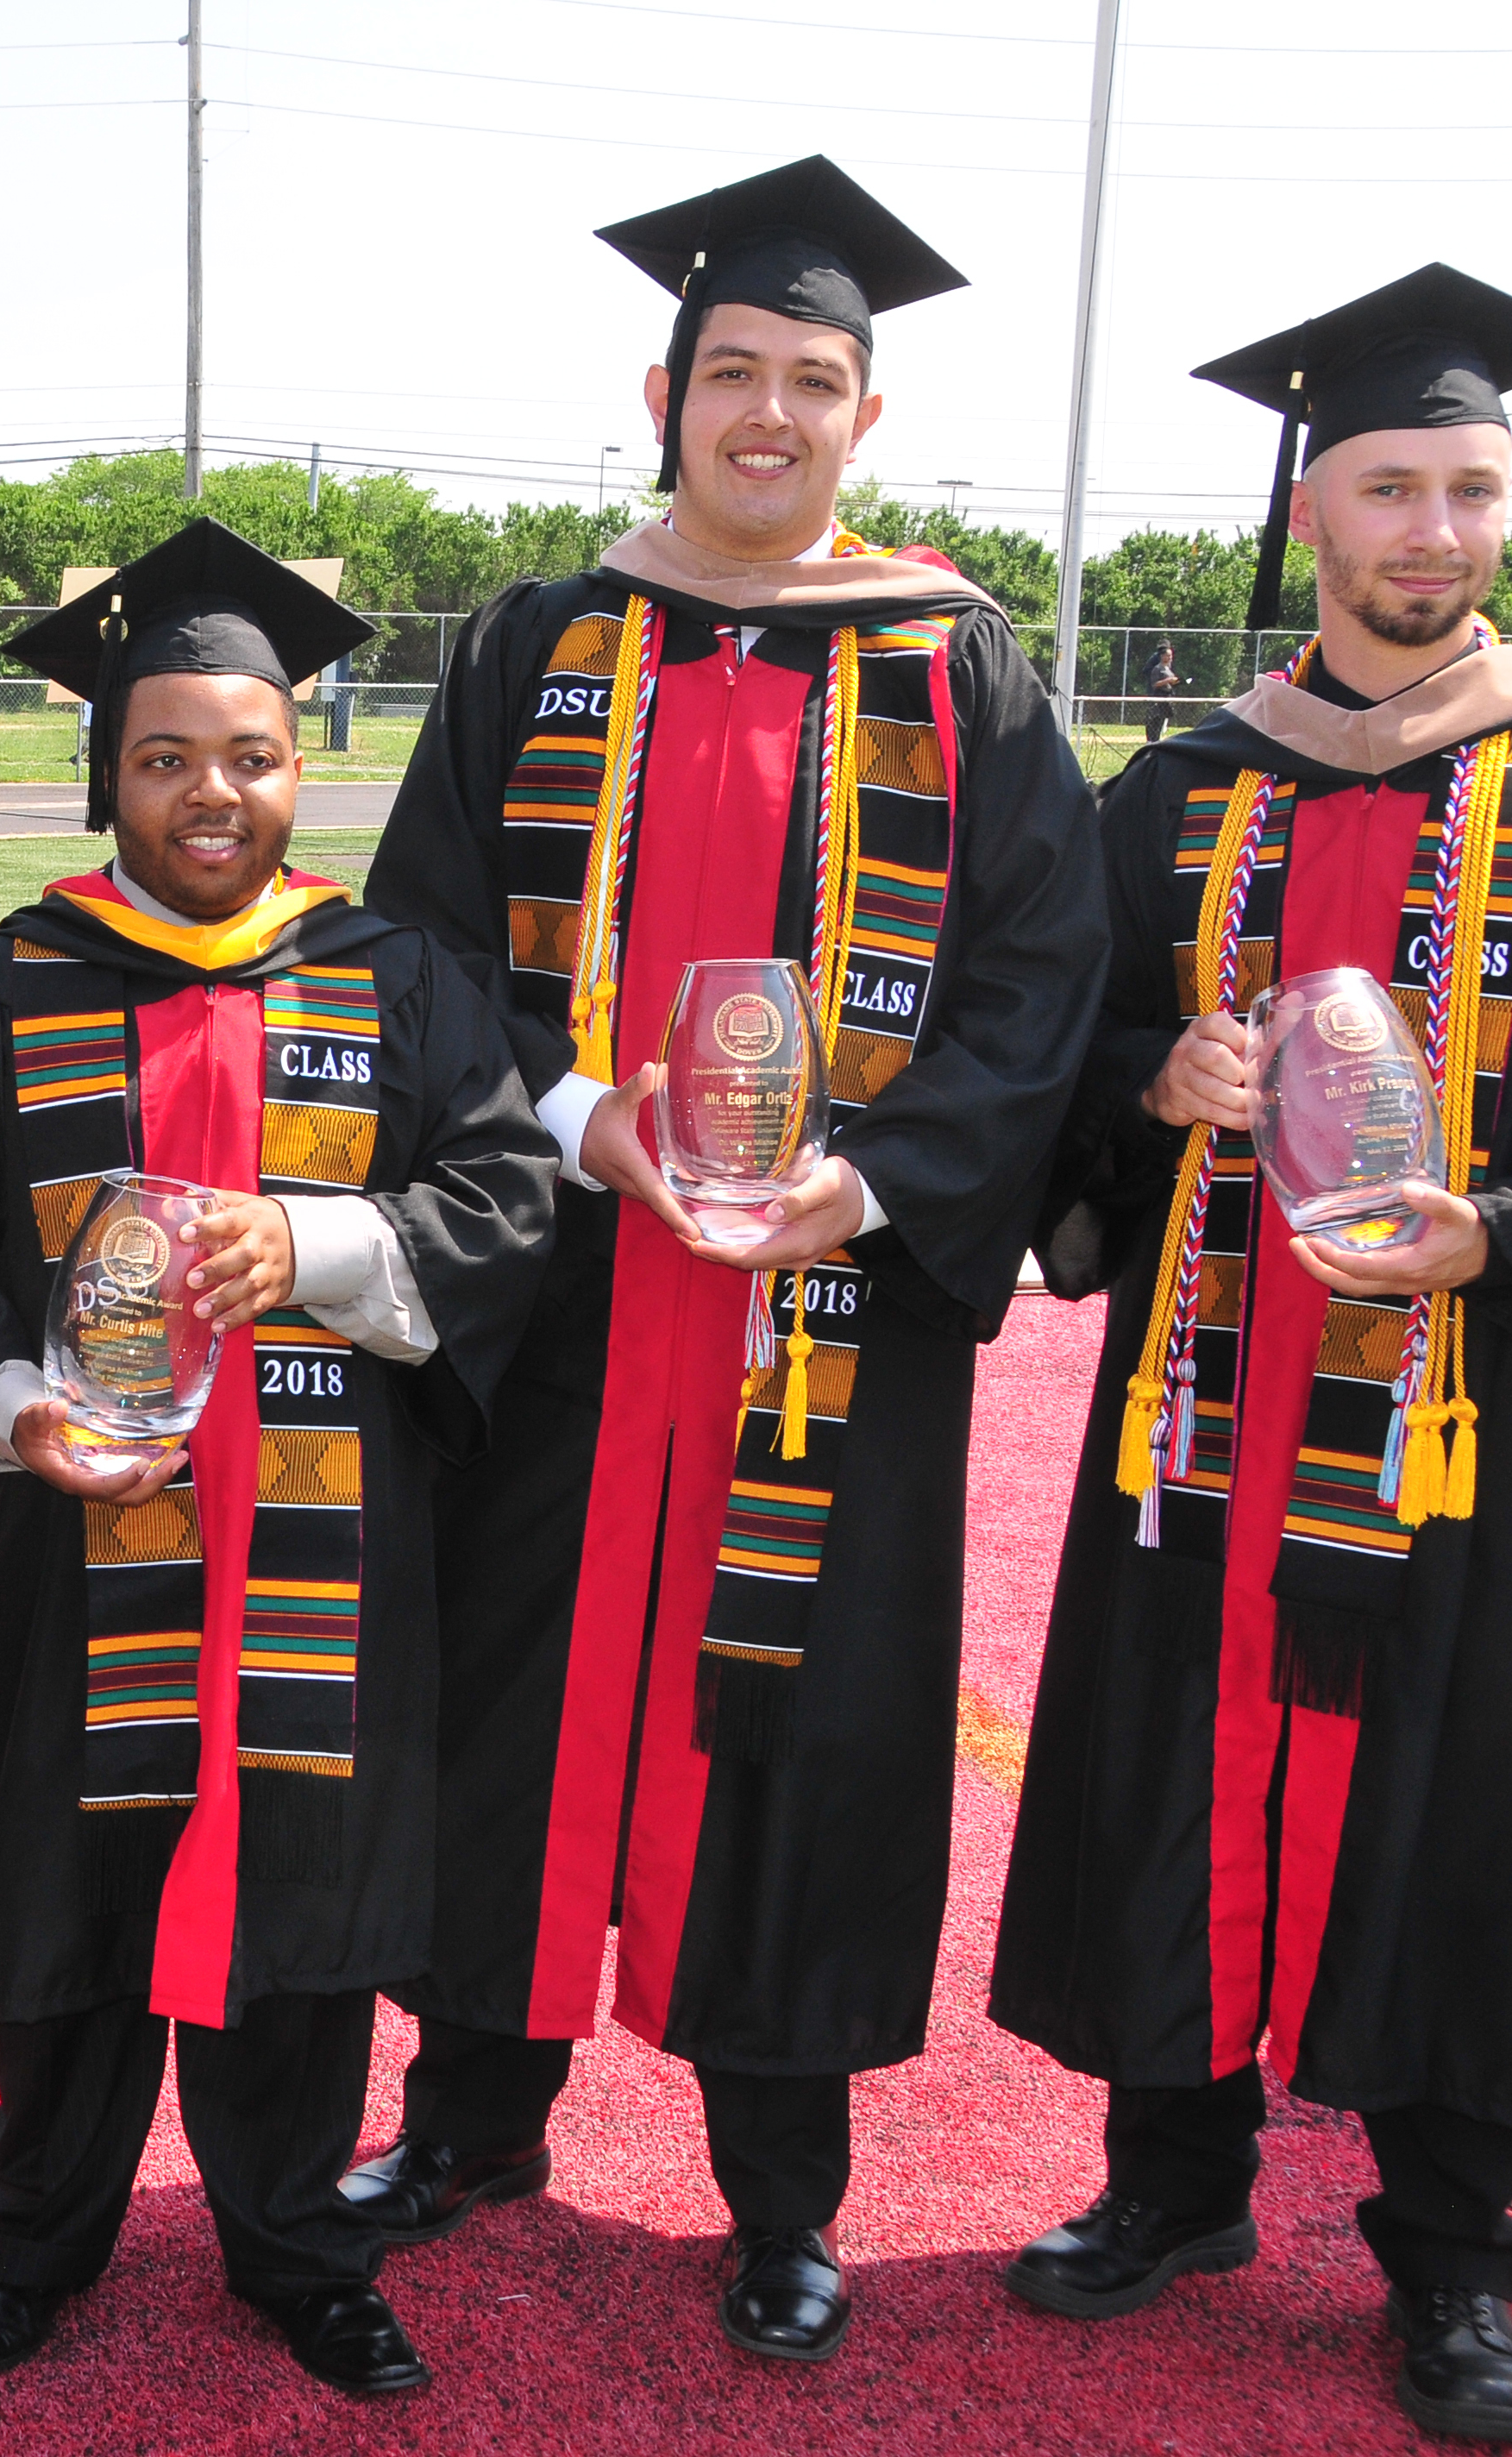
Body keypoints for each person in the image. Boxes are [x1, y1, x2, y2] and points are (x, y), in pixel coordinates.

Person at [348, 155, 1111, 2361]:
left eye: (811, 380)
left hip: (831, 1307)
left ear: (863, 416)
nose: (765, 414)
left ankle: (779, 2190)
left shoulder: (956, 662)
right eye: (732, 375)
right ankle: (473, 2114)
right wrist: (575, 1117)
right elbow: (411, 957)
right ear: (661, 388)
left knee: (796, 1719)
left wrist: (860, 1184)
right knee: (515, 1700)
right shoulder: (534, 639)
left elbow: (1037, 979)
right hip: (565, 1286)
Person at [992, 267, 1512, 2449]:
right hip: (1199, 1388)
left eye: (1470, 491)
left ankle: (1446, 2262)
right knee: (1175, 1760)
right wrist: (1155, 1075)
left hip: (1462, 1409)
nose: (1433, 531)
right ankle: (1168, 2184)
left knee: (1452, 1795)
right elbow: (1055, 1048)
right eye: (1389, 486)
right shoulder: (1183, 792)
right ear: (1310, 506)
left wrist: (1503, 1226)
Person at [0, 521, 558, 2396]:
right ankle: (30, 2240)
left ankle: (297, 2245)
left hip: (327, 1537)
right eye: (163, 754)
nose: (208, 793)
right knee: (66, 1897)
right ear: (107, 770)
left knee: (304, 1899)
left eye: (246, 754)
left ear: (299, 762)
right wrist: (11, 1409)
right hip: (72, 1540)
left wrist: (316, 1245)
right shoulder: (4, 985)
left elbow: (501, 1200)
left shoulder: (395, 973)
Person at [1145, 637, 1182, 744]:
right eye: (1168, 655)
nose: (1170, 658)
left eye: (1171, 655)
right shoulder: (1157, 666)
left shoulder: (1168, 666)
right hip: (1158, 694)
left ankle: (1158, 737)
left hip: (1167, 695)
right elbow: (1154, 683)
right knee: (1154, 717)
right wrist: (1166, 680)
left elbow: (1170, 678)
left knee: (1164, 716)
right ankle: (1152, 740)